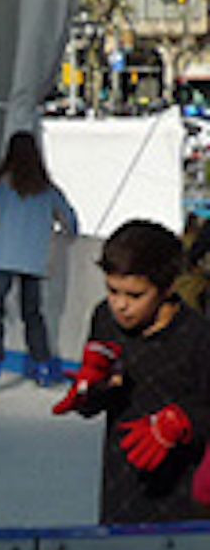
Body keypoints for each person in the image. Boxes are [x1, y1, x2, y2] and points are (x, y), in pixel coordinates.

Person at [51, 220, 210, 524]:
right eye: (112, 291)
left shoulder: (198, 337)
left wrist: (183, 421)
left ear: (167, 288)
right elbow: (98, 402)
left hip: (183, 497)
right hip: (120, 490)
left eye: (135, 295)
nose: (120, 305)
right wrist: (90, 392)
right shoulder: (104, 319)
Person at [0, 131, 80, 388]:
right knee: (33, 313)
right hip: (35, 261)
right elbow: (70, 221)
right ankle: (43, 365)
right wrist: (66, 235)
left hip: (3, 258)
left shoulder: (3, 187)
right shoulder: (48, 190)